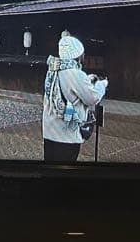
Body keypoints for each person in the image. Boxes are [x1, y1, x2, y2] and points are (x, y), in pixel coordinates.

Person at [42, 31, 107, 163]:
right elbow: (92, 98)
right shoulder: (76, 74)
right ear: (78, 54)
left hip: (50, 131)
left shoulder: (53, 70)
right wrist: (102, 85)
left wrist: (88, 79)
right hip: (66, 135)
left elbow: (70, 87)